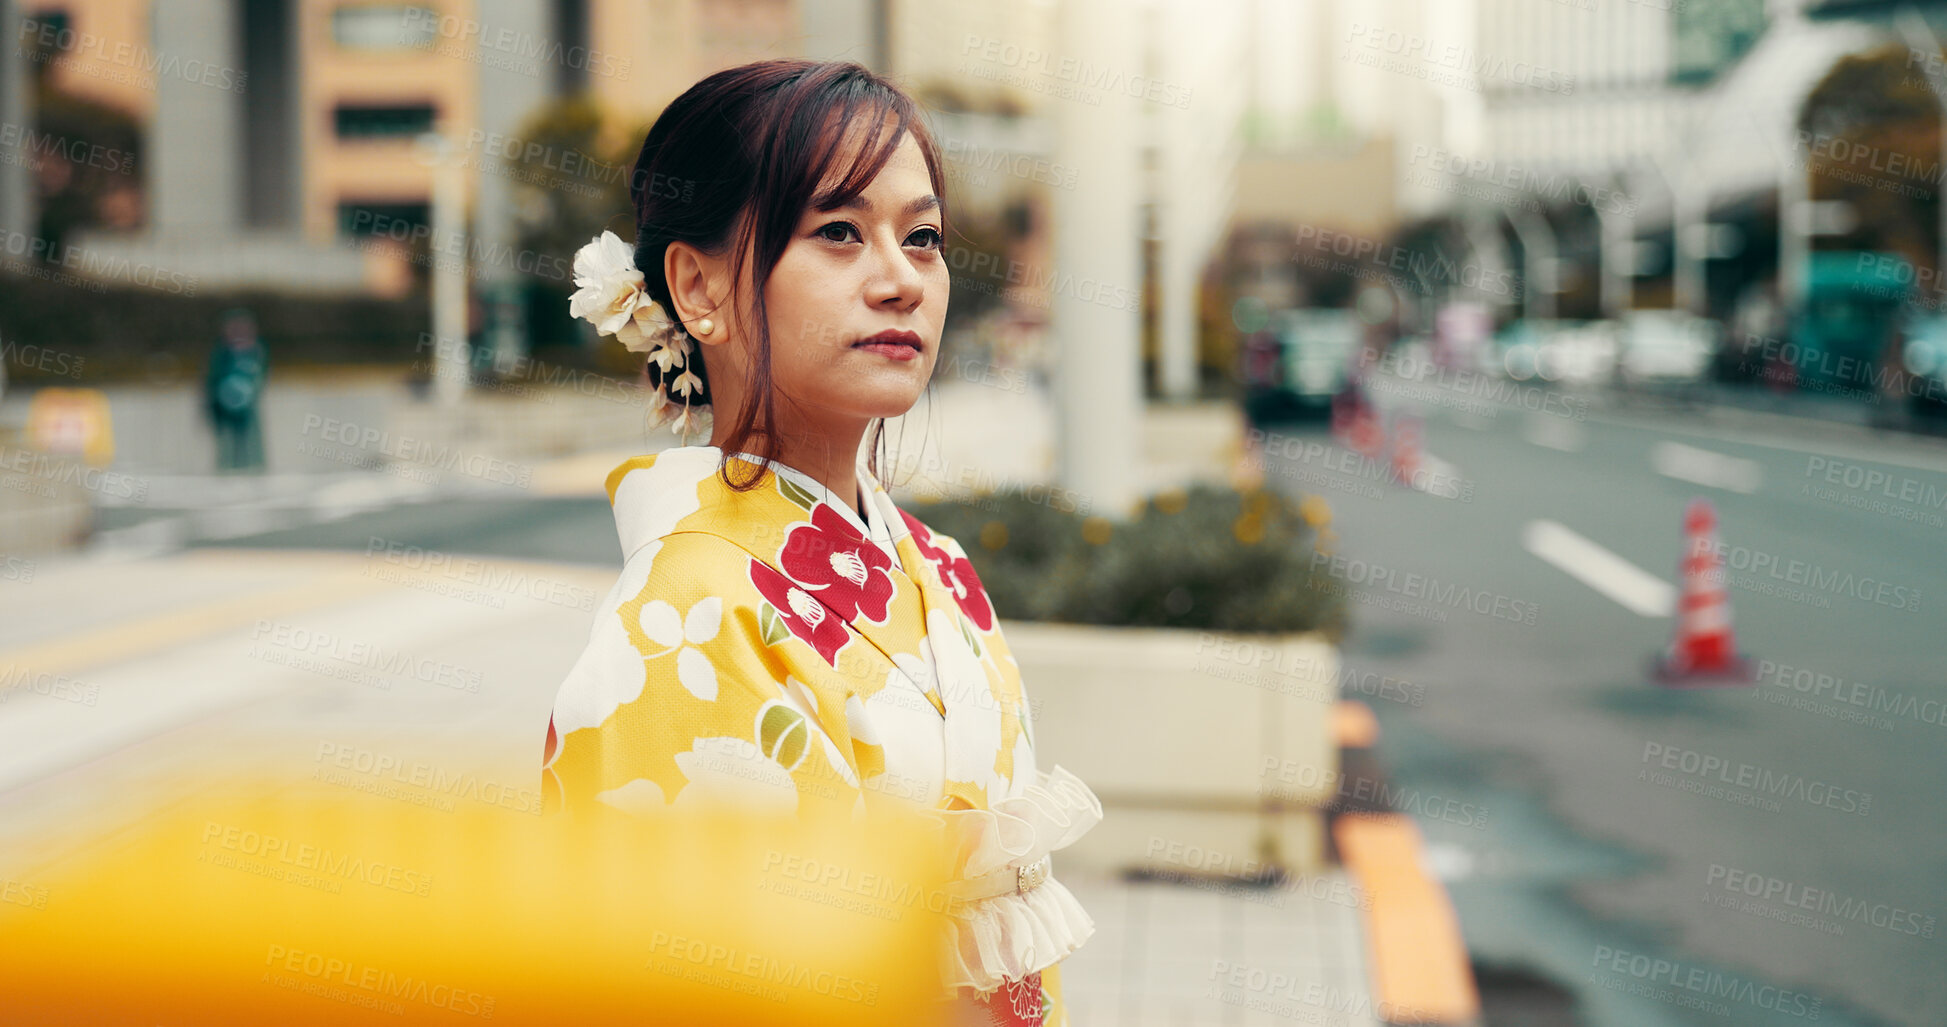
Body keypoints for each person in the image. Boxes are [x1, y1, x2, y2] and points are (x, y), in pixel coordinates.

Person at [541, 60, 1101, 1025]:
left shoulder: (942, 569)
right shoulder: (684, 615)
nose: (901, 281)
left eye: (921, 238)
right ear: (699, 287)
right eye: (837, 232)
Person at [203, 308, 267, 471]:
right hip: (225, 409)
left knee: (250, 441)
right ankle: (227, 470)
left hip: (247, 408)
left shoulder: (256, 351)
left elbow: (260, 375)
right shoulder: (222, 353)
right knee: (227, 443)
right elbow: (213, 378)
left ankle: (253, 469)